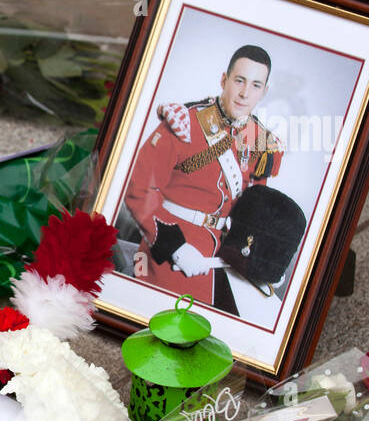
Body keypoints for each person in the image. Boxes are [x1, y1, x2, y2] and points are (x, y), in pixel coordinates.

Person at [122, 44, 285, 314]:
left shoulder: (262, 141)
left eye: (256, 85)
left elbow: (256, 213)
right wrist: (175, 247)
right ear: (225, 80)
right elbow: (140, 191)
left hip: (224, 258)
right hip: (169, 249)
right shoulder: (183, 123)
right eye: (239, 81)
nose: (245, 93)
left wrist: (265, 258)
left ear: (264, 92)